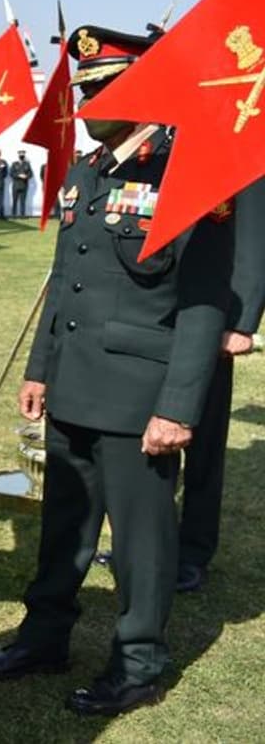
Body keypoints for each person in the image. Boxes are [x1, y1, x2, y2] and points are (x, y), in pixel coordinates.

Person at [0, 24, 232, 717]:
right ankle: (44, 635)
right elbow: (66, 283)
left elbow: (204, 301)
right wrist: (39, 367)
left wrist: (178, 407)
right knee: (64, 524)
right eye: (81, 88)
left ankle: (139, 661)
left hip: (140, 397)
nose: (85, 101)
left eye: (102, 88)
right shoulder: (89, 170)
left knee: (142, 540)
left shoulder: (185, 171)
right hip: (75, 386)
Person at [177, 178, 265, 591]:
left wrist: (241, 321)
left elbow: (254, 232)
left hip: (214, 314)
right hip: (158, 307)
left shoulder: (238, 132)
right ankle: (150, 544)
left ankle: (192, 550)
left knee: (204, 442)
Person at [10, 149, 33, 217]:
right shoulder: (14, 164)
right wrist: (19, 175)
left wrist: (26, 176)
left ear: (24, 155)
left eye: (23, 154)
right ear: (18, 155)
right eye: (20, 154)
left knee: (23, 201)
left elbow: (31, 174)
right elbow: (11, 173)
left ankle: (22, 215)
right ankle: (14, 214)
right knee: (15, 201)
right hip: (16, 185)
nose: (21, 155)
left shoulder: (27, 164)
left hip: (24, 185)